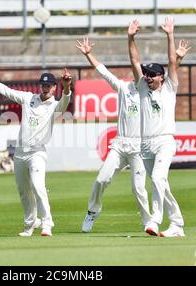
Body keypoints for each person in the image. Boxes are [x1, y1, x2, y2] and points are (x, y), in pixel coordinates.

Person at [0, 66, 72, 237]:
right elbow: (6, 91)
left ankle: (47, 223)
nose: (46, 88)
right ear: (40, 86)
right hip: (20, 152)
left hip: (37, 152)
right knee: (23, 191)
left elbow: (65, 101)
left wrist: (67, 86)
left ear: (54, 88)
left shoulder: (55, 106)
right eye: (43, 85)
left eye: (49, 86)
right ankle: (30, 225)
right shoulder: (28, 98)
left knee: (38, 186)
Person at [75, 37, 151, 233]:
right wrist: (88, 54)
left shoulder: (147, 92)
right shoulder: (123, 87)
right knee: (101, 179)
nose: (139, 75)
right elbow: (103, 71)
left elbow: (135, 61)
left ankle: (148, 222)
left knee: (138, 189)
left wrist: (132, 39)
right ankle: (93, 211)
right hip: (119, 145)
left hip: (138, 148)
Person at [128, 17, 191, 237]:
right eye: (146, 74)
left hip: (165, 140)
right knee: (161, 184)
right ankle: (177, 224)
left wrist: (170, 35)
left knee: (156, 179)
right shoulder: (142, 88)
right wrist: (130, 37)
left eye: (152, 75)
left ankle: (155, 220)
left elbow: (173, 62)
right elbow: (134, 60)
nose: (147, 77)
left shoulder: (169, 88)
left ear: (161, 78)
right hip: (145, 144)